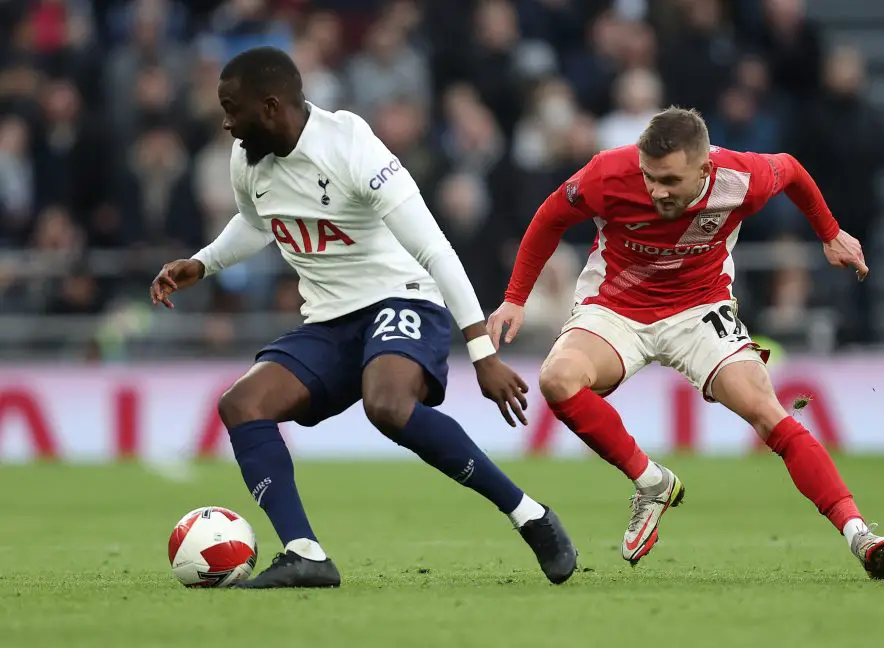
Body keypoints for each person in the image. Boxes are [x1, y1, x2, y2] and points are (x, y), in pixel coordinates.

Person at [149, 47, 577, 589]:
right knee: (241, 405)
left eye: (233, 109)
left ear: (272, 106)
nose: (228, 123)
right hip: (329, 321)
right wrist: (202, 263)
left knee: (388, 404)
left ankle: (529, 515)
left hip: (402, 298)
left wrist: (482, 352)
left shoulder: (350, 146)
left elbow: (436, 250)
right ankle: (305, 554)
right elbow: (257, 222)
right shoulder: (247, 160)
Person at [487, 107, 884, 579]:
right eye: (649, 177)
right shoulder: (608, 173)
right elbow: (549, 218)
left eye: (669, 180)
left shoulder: (741, 176)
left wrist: (830, 234)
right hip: (617, 308)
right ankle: (651, 482)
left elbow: (791, 169)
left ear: (705, 169)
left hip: (699, 310)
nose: (657, 190)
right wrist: (515, 299)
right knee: (557, 380)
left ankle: (860, 536)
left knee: (766, 411)